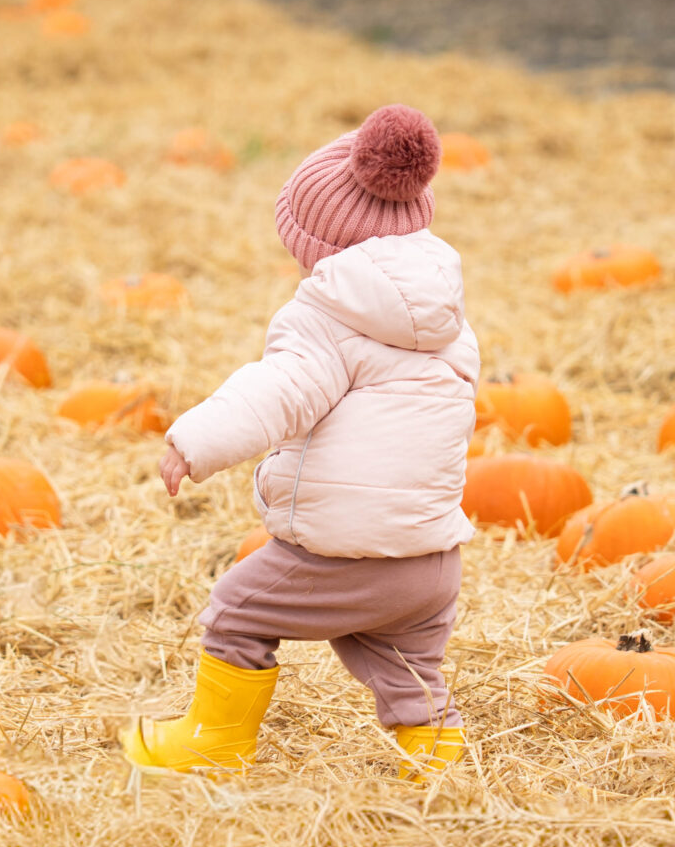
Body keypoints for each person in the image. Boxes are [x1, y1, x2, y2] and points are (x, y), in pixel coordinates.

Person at [122, 104, 476, 780]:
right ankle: (438, 769)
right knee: (405, 666)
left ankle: (215, 742)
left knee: (237, 613)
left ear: (319, 246)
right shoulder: (450, 321)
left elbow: (280, 389)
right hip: (431, 560)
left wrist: (195, 440)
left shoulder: (325, 316)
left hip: (351, 554)